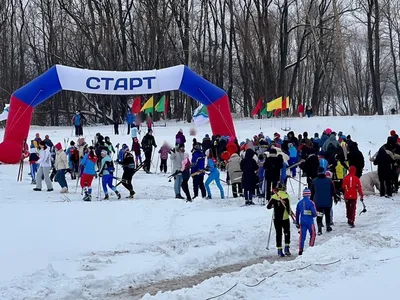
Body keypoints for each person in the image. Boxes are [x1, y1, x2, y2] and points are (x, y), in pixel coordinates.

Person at [267, 183, 293, 257]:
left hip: (276, 218)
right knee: (287, 232)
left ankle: (279, 249)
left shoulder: (274, 196)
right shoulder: (287, 196)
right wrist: (290, 214)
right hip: (285, 218)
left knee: (278, 233)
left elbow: (268, 206)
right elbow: (288, 209)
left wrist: (274, 206)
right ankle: (287, 248)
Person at [311, 167, 336, 235]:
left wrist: (311, 201)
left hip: (318, 202)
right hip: (328, 202)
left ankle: (319, 229)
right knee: (327, 214)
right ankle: (328, 227)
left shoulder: (314, 181)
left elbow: (312, 192)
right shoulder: (329, 180)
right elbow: (333, 191)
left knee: (319, 215)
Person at [296, 188, 317, 256]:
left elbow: (297, 213)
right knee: (313, 234)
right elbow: (314, 212)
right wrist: (315, 214)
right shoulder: (311, 203)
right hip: (310, 221)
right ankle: (311, 247)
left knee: (302, 236)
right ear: (309, 195)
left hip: (302, 221)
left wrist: (297, 222)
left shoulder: (299, 203)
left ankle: (300, 250)